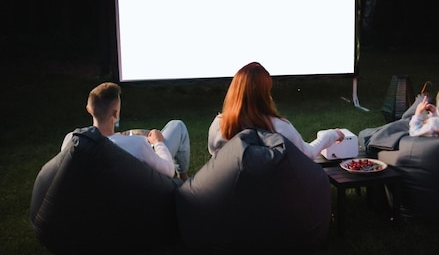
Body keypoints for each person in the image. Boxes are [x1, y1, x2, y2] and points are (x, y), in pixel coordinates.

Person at [207, 62, 344, 160]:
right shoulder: (279, 126)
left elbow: (215, 157)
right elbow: (307, 154)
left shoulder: (218, 125)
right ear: (265, 92)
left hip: (230, 196)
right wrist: (331, 134)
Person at [61, 82, 190, 179]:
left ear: (88, 109)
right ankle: (183, 178)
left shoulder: (71, 139)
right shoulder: (137, 144)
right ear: (116, 114)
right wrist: (158, 143)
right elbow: (168, 170)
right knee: (177, 126)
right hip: (143, 191)